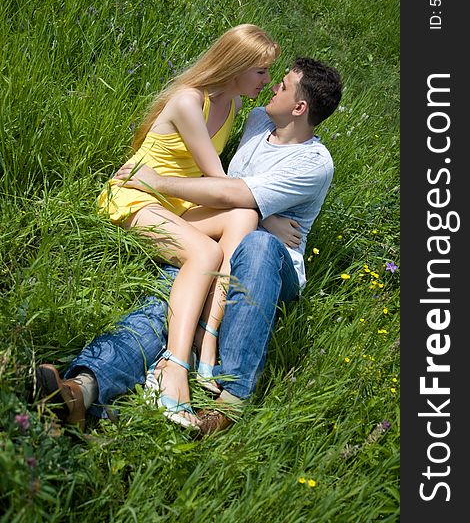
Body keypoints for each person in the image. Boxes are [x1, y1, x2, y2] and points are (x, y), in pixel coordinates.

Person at [34, 57, 343, 435]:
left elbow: (238, 192)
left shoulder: (315, 162)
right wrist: (259, 212)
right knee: (172, 303)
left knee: (259, 244)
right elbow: (225, 185)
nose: (273, 86)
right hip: (219, 237)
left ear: (299, 108)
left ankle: (229, 403)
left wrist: (157, 183)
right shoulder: (256, 121)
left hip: (268, 270)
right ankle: (81, 390)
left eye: (283, 84)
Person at [97, 24, 280, 427]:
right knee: (205, 251)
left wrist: (268, 216)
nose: (267, 82)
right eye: (261, 71)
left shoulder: (231, 107)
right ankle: (174, 366)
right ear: (236, 65)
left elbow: (227, 195)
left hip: (175, 206)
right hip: (134, 195)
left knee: (246, 217)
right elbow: (217, 184)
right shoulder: (187, 101)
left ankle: (207, 333)